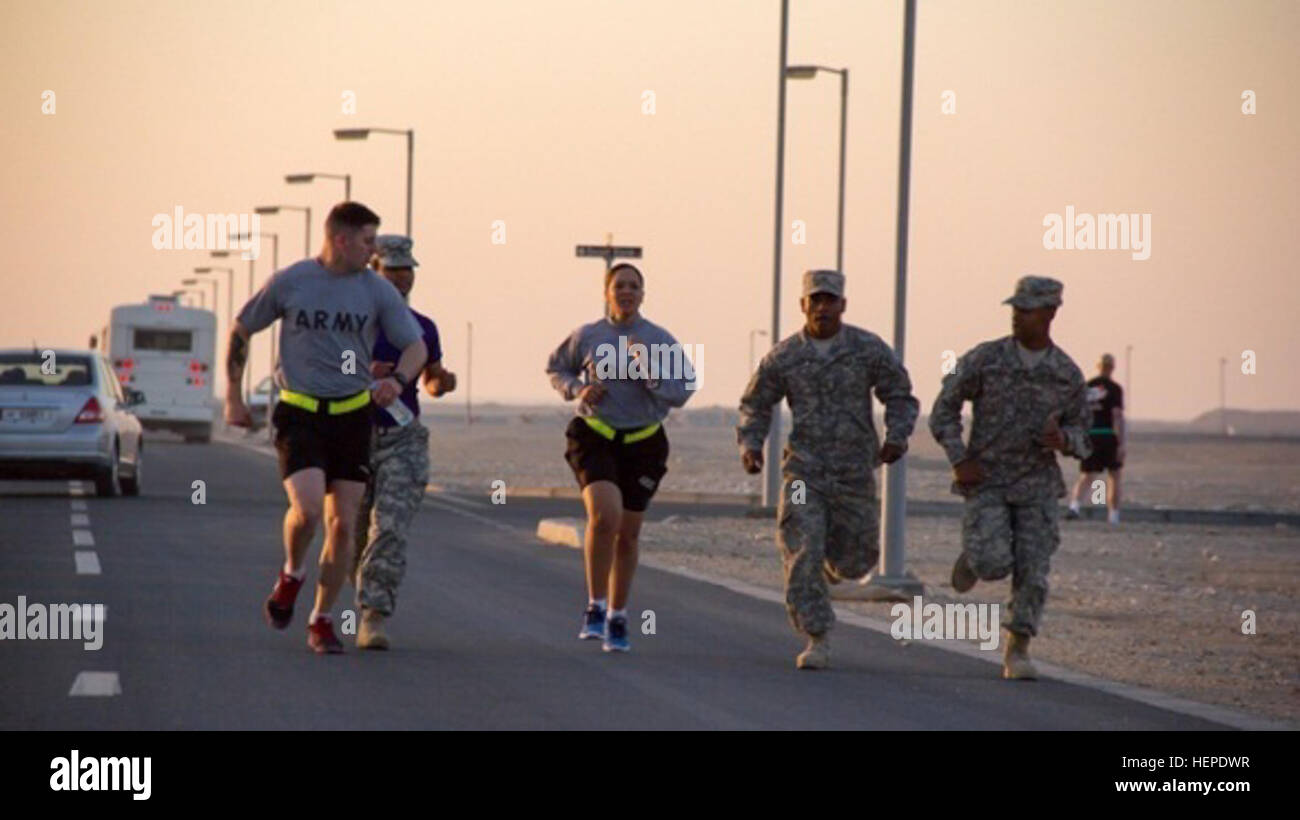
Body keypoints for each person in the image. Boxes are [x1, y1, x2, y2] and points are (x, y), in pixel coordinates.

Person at [224, 202, 427, 654]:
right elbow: (241, 330)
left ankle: (321, 618)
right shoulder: (292, 281)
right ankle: (292, 573)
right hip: (300, 413)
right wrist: (234, 396)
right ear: (341, 239)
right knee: (310, 509)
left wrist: (397, 380)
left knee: (342, 525)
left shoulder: (375, 290)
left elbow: (415, 346)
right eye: (367, 241)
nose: (374, 250)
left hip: (352, 416)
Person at [737, 270, 919, 670]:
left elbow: (901, 394)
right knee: (802, 548)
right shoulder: (785, 356)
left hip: (854, 470)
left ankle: (827, 567)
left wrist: (898, 435)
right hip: (804, 472)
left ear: (843, 304)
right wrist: (751, 445)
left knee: (857, 560)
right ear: (803, 305)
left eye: (829, 300)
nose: (822, 307)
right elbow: (756, 403)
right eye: (814, 300)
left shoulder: (867, 349)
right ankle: (816, 637)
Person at [929, 275, 1091, 680]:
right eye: (1015, 309)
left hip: (1036, 484)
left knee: (1033, 571)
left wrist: (1064, 439)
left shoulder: (1066, 374)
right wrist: (958, 457)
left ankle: (1017, 649)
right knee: (993, 560)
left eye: (1027, 310)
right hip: (986, 479)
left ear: (1051, 313)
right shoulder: (986, 359)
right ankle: (975, 558)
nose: (1018, 317)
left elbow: (1087, 438)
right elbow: (943, 410)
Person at [545, 263, 696, 653]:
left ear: (643, 294)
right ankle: (594, 606)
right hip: (595, 435)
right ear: (607, 292)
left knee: (628, 534)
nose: (626, 292)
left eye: (634, 286)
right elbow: (556, 367)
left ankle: (618, 614)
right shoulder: (588, 335)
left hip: (644, 442)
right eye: (619, 286)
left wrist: (652, 375)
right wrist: (578, 388)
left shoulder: (659, 339)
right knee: (603, 516)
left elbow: (683, 390)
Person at [351, 235, 456, 650]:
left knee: (389, 528)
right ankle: (357, 593)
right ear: (373, 273)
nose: (401, 277)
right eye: (392, 269)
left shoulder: (422, 327)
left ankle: (373, 616)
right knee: (351, 534)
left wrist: (442, 382)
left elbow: (430, 379)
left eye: (407, 269)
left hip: (403, 439)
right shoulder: (353, 324)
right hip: (353, 436)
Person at [1067, 353, 1125, 524]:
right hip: (1107, 434)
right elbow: (1117, 415)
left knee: (1088, 474)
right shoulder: (1114, 389)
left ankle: (1075, 506)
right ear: (1112, 367)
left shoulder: (1087, 386)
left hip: (1091, 434)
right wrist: (1121, 443)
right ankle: (1113, 516)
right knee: (1114, 475)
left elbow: (1078, 413)